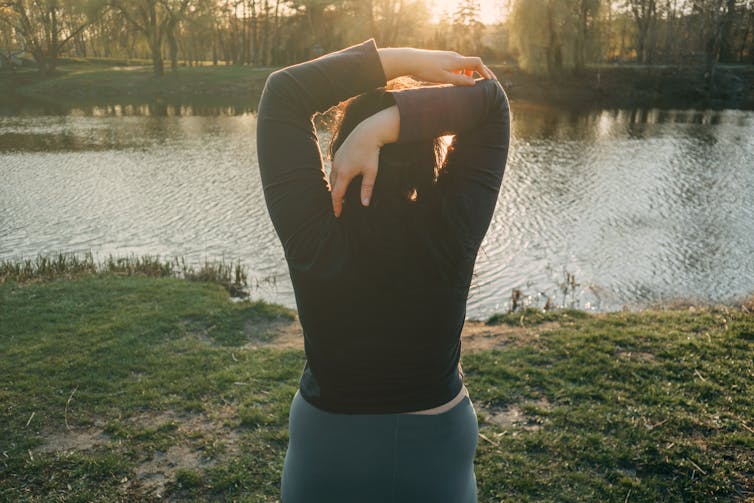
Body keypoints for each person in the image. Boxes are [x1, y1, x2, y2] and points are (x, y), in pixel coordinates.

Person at [257, 39, 510, 503]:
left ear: (340, 147)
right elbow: (491, 102)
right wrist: (384, 126)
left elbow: (283, 91)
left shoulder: (311, 231)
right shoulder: (453, 226)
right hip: (438, 448)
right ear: (427, 150)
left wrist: (408, 62)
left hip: (327, 451)